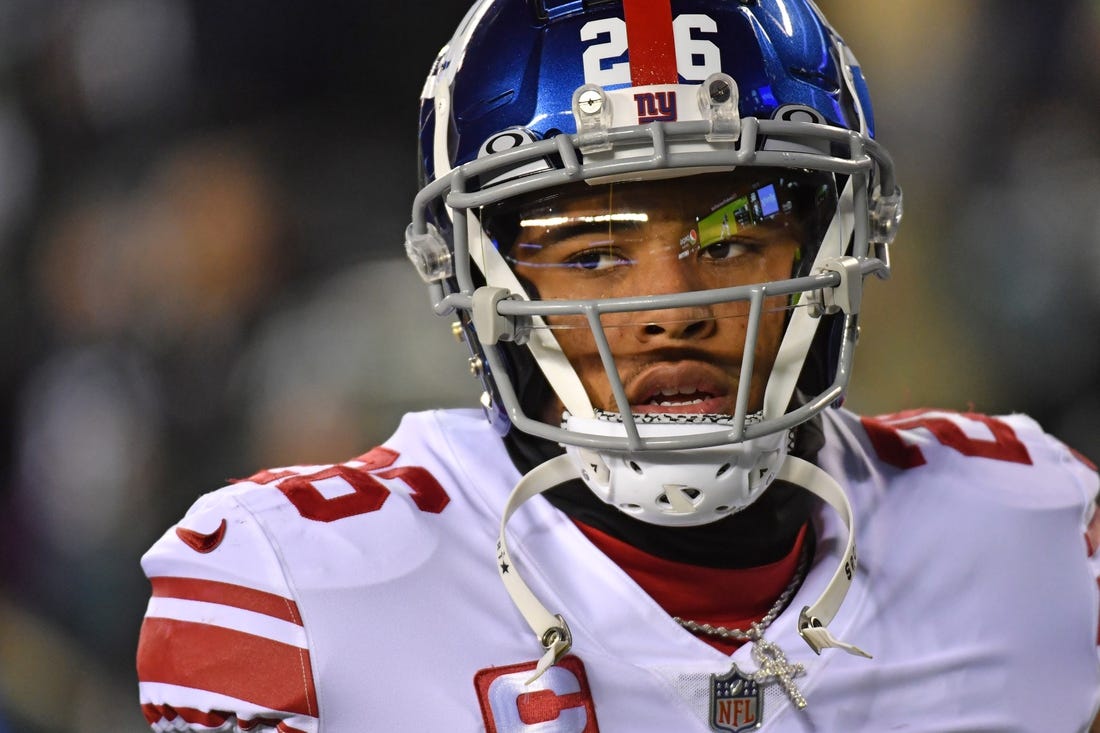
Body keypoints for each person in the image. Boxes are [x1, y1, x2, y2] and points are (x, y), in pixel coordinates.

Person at [135, 0, 1100, 730]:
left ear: (835, 251)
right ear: (480, 279)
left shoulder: (1039, 533)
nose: (666, 311)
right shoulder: (299, 597)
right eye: (593, 252)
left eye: (729, 239)